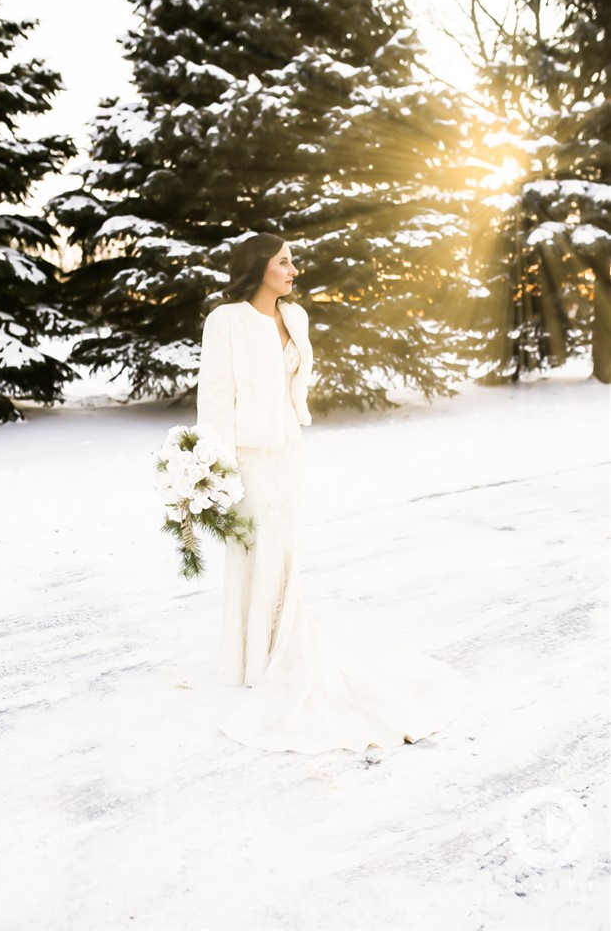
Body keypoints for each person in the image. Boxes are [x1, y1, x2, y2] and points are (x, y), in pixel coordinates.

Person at [196, 231, 466, 754]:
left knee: (286, 551)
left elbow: (294, 382)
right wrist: (218, 467)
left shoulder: (294, 319)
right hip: (248, 457)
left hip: (288, 452)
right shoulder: (225, 321)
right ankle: (253, 659)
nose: (293, 269)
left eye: (292, 261)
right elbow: (215, 398)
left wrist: (292, 416)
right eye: (283, 261)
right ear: (259, 266)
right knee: (255, 552)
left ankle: (275, 654)